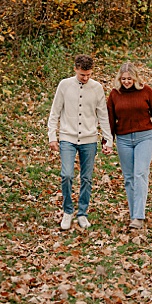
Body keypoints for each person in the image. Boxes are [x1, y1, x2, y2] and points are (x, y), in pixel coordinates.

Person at [47, 54, 113, 230]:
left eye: (89, 74)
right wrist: (52, 136)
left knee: (86, 177)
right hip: (67, 137)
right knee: (67, 174)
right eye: (83, 74)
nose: (86, 78)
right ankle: (68, 211)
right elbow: (55, 112)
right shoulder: (65, 85)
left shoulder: (97, 88)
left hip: (89, 139)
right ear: (75, 69)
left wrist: (108, 139)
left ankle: (82, 213)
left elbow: (103, 115)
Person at [106, 62, 152, 229]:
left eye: (130, 78)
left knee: (140, 173)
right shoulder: (114, 95)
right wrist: (108, 140)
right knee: (129, 178)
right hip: (123, 139)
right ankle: (134, 214)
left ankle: (139, 217)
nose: (126, 82)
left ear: (135, 78)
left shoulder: (146, 91)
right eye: (124, 78)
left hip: (144, 137)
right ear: (119, 79)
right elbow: (110, 119)